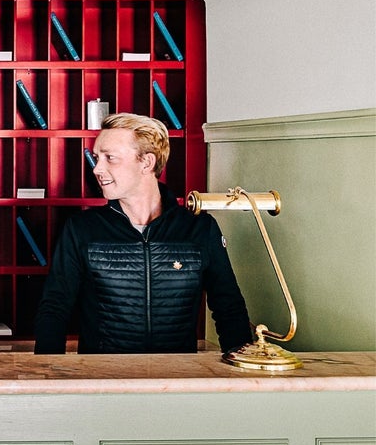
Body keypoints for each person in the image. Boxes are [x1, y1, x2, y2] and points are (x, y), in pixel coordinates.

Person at [34, 113, 253, 354]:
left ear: (146, 163)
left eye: (110, 158)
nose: (97, 168)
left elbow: (229, 309)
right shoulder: (81, 229)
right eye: (98, 158)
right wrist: (50, 375)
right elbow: (54, 309)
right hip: (101, 380)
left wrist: (244, 377)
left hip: (176, 381)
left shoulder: (199, 229)